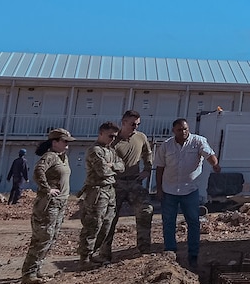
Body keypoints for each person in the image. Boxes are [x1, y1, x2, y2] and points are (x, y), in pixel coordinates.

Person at [154, 118, 219, 269]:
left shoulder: (198, 141)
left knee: (193, 222)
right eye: (179, 130)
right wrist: (158, 188)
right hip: (169, 189)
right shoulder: (166, 146)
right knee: (169, 222)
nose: (183, 132)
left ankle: (193, 255)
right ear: (173, 131)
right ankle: (170, 251)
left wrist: (215, 165)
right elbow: (159, 168)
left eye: (185, 129)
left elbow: (210, 155)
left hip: (190, 190)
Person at [20, 130, 74, 284]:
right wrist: (47, 189)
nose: (67, 145)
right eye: (64, 141)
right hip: (48, 205)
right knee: (42, 238)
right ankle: (29, 273)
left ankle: (36, 270)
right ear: (54, 142)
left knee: (51, 238)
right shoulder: (50, 156)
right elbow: (38, 172)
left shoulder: (62, 158)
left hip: (59, 204)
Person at [74, 123, 121, 266]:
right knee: (93, 224)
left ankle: (93, 253)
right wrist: (113, 168)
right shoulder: (95, 151)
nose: (112, 139)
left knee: (107, 224)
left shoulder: (111, 151)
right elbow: (102, 171)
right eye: (110, 136)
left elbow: (122, 165)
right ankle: (85, 257)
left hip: (110, 190)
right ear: (101, 133)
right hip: (97, 191)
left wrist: (112, 165)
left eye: (115, 136)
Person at [109, 110, 155, 255]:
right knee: (109, 217)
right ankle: (104, 253)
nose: (135, 127)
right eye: (133, 124)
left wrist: (147, 169)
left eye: (137, 124)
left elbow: (147, 153)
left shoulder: (141, 137)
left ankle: (144, 249)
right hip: (116, 184)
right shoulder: (113, 140)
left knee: (145, 211)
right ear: (123, 123)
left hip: (134, 182)